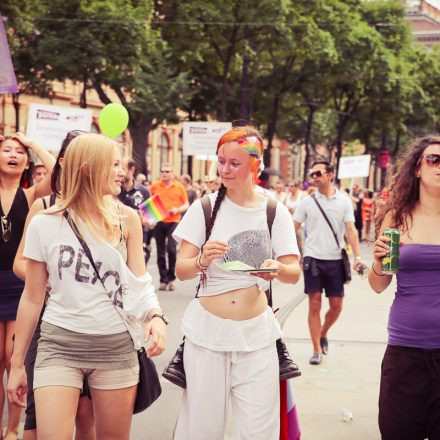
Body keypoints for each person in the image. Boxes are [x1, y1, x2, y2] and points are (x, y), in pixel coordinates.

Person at [7, 133, 167, 440]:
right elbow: (32, 297)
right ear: (89, 168)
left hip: (116, 349)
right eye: (115, 165)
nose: (122, 172)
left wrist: (156, 316)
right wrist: (17, 365)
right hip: (58, 345)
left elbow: (140, 283)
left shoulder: (128, 220)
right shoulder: (45, 221)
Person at [172, 126, 301, 439]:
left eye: (234, 163)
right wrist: (202, 259)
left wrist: (275, 270)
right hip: (207, 336)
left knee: (260, 430)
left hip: (256, 335)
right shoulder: (203, 208)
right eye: (221, 161)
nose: (225, 170)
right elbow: (181, 270)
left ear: (254, 165)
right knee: (201, 429)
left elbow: (294, 270)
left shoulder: (274, 211)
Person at [13, 131, 96, 440]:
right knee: (38, 414)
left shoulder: (109, 209)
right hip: (49, 323)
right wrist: (44, 279)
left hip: (95, 329)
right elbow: (20, 263)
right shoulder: (45, 205)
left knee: (87, 414)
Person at [369, 135, 440, 440]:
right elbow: (378, 284)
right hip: (405, 353)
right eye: (434, 159)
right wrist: (377, 261)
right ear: (417, 169)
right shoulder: (396, 219)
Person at [0, 133, 55, 440]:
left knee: (13, 359)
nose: (13, 155)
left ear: (26, 163)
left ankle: (12, 430)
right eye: (6, 150)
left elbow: (56, 176)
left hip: (21, 284)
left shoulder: (31, 194)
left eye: (19, 152)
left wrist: (34, 145)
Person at [293, 161, 364, 365]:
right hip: (312, 258)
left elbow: (350, 230)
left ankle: (323, 333)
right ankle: (316, 349)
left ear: (330, 175)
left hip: (335, 260)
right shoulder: (307, 202)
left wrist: (357, 257)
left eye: (318, 173)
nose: (314, 177)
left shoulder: (343, 201)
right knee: (314, 303)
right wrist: (291, 253)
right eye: (311, 174)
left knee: (336, 306)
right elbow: (292, 226)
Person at [150, 164, 189, 291]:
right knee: (160, 252)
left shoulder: (179, 187)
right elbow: (149, 203)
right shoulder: (155, 186)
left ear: (172, 173)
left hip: (174, 221)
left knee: (171, 249)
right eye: (162, 171)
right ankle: (163, 280)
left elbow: (186, 205)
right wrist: (150, 218)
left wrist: (177, 209)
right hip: (159, 221)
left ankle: (171, 278)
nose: (164, 173)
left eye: (167, 171)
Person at [118, 158, 152, 263]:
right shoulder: (114, 189)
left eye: (122, 169)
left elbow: (152, 222)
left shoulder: (145, 191)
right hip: (118, 241)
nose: (120, 172)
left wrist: (142, 218)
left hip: (139, 242)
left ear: (132, 170)